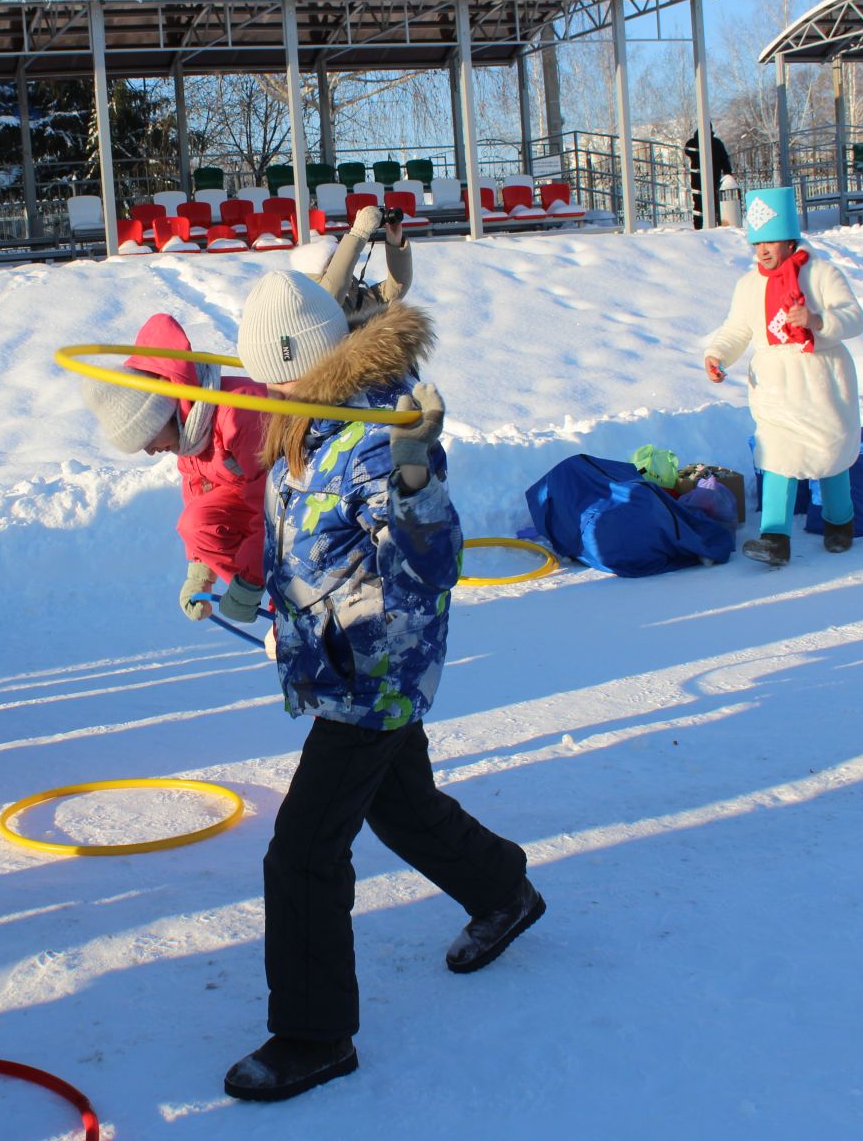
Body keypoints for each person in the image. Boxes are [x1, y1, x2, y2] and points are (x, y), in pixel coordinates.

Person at [222, 270, 543, 1103]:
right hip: (343, 661)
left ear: (305, 361)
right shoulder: (310, 418)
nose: (266, 389)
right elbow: (309, 536)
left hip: (377, 674)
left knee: (302, 851)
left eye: (272, 374)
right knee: (401, 805)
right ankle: (503, 890)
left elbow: (434, 564)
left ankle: (315, 1034)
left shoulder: (372, 432)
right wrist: (255, 594)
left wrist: (413, 480)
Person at [704, 186, 863, 567]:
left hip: (821, 378)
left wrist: (817, 321)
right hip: (775, 384)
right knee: (777, 454)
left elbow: (855, 317)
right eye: (756, 243)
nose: (762, 251)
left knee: (832, 453)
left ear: (790, 240)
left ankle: (839, 523)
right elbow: (736, 329)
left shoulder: (821, 273)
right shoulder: (748, 285)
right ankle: (775, 538)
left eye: (770, 241)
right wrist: (716, 355)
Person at [79, 313, 270, 626]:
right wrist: (200, 570)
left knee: (267, 535)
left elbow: (275, 511)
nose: (150, 451)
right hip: (258, 500)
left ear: (163, 414)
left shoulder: (239, 414)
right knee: (195, 522)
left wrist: (250, 581)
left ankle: (289, 610)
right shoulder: (190, 431)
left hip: (296, 499)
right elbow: (198, 498)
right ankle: (275, 598)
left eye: (147, 438)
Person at [287, 202, 414, 326]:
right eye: (332, 262)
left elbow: (393, 291)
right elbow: (333, 291)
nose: (341, 264)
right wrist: (358, 233)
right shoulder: (313, 309)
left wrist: (395, 244)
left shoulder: (353, 297)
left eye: (337, 259)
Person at [684, 127, 733, 230]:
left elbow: (724, 159)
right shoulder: (696, 142)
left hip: (709, 178)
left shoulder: (715, 142)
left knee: (711, 203)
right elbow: (688, 151)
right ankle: (700, 227)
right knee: (702, 203)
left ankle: (712, 225)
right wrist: (728, 172)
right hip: (701, 179)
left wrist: (727, 173)